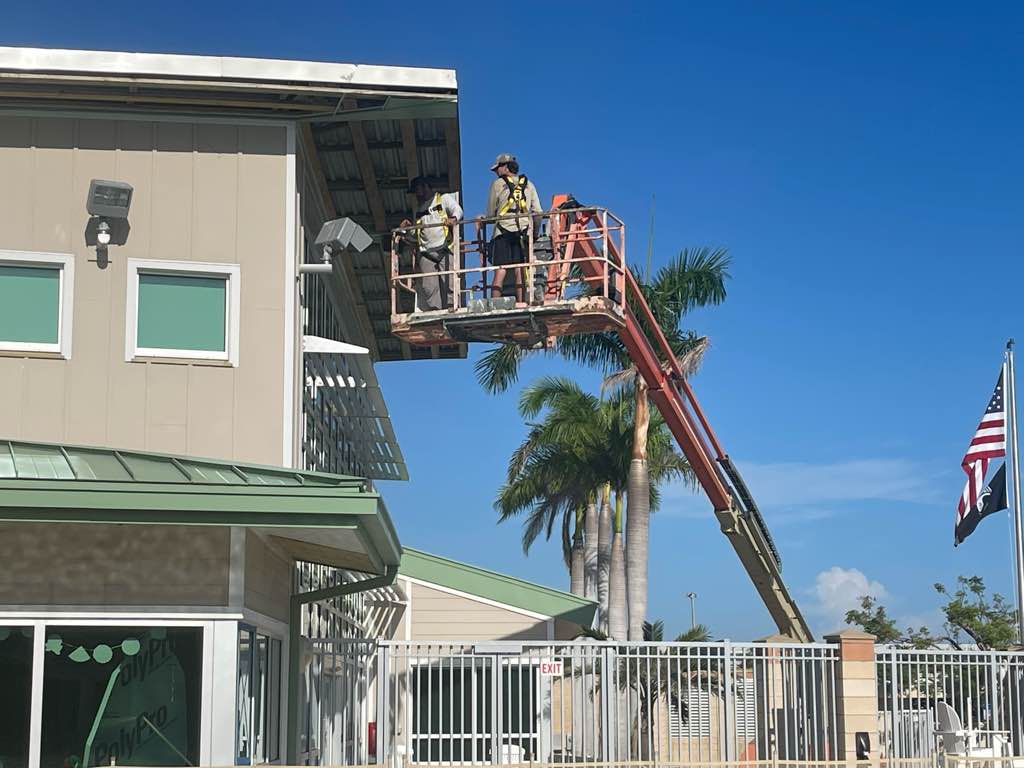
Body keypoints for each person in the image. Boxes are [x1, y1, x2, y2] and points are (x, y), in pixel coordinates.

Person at [485, 153, 542, 302]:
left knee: (501, 269)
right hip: (522, 232)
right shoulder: (529, 185)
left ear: (505, 167)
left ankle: (494, 303)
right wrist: (534, 234)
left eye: (498, 168)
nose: (496, 172)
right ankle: (522, 302)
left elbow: (491, 214)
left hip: (502, 232)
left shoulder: (497, 184)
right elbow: (538, 212)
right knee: (520, 269)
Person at [400, 176, 463, 311]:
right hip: (426, 253)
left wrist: (453, 218)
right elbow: (417, 235)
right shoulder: (419, 210)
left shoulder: (443, 199)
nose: (416, 195)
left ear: (425, 187)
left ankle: (452, 308)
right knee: (429, 286)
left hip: (445, 248)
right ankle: (436, 311)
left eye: (417, 190)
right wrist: (406, 230)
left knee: (450, 282)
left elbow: (457, 210)